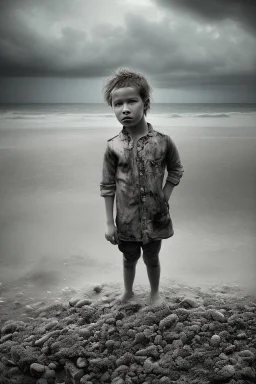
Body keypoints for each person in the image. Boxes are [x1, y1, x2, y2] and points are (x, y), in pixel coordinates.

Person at [100, 68, 184, 305]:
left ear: (145, 103)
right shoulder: (113, 146)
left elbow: (176, 169)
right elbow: (107, 186)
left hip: (156, 216)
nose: (124, 109)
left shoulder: (163, 141)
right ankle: (128, 292)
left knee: (152, 257)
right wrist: (109, 222)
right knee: (128, 258)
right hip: (126, 218)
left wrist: (165, 195)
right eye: (118, 104)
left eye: (131, 101)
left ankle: (155, 293)